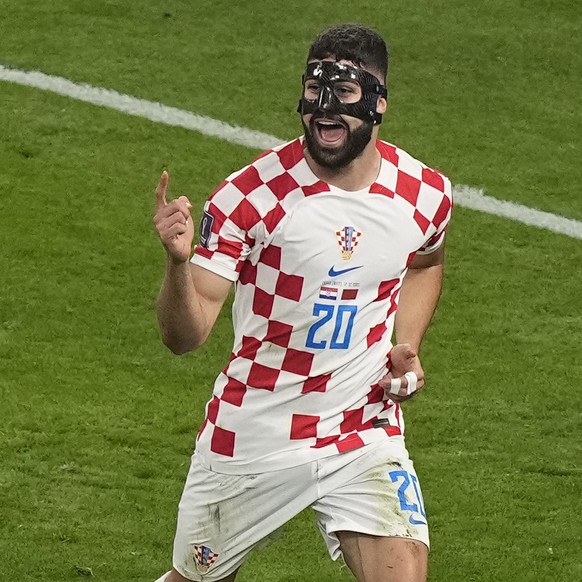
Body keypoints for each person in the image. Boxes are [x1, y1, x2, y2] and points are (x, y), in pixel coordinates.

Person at [153, 22, 452, 582]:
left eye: (343, 94)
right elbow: (183, 335)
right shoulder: (251, 197)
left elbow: (425, 263)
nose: (324, 110)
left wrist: (405, 345)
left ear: (379, 102)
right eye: (315, 94)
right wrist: (176, 264)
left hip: (360, 427)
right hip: (255, 431)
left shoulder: (425, 194)